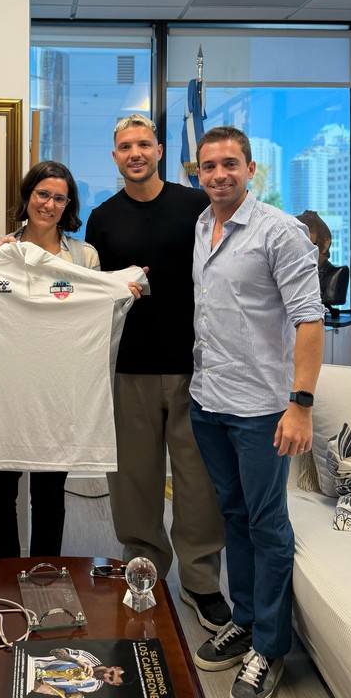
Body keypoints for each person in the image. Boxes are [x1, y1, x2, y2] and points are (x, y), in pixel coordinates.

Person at [190, 126, 325, 698]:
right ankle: (244, 619)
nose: (219, 175)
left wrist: (300, 405)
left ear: (250, 169)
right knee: (235, 516)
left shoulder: (280, 232)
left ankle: (269, 647)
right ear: (198, 172)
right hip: (209, 399)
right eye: (208, 166)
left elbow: (309, 319)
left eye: (229, 164)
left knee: (268, 525)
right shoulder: (203, 224)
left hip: (262, 410)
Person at [85, 113, 228, 632]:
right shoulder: (102, 218)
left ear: (161, 150)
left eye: (144, 144)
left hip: (196, 366)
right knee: (133, 480)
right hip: (128, 369)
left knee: (198, 481)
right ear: (116, 155)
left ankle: (200, 581)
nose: (136, 153)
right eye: (125, 146)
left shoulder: (196, 207)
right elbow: (91, 293)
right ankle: (144, 567)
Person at [0, 160, 114, 560]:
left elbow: (98, 314)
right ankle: (0, 578)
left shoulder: (84, 258)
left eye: (59, 198)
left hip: (57, 394)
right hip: (5, 392)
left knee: (50, 496)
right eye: (42, 194)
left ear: (68, 204)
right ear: (28, 196)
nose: (49, 204)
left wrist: (121, 293)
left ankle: (44, 576)